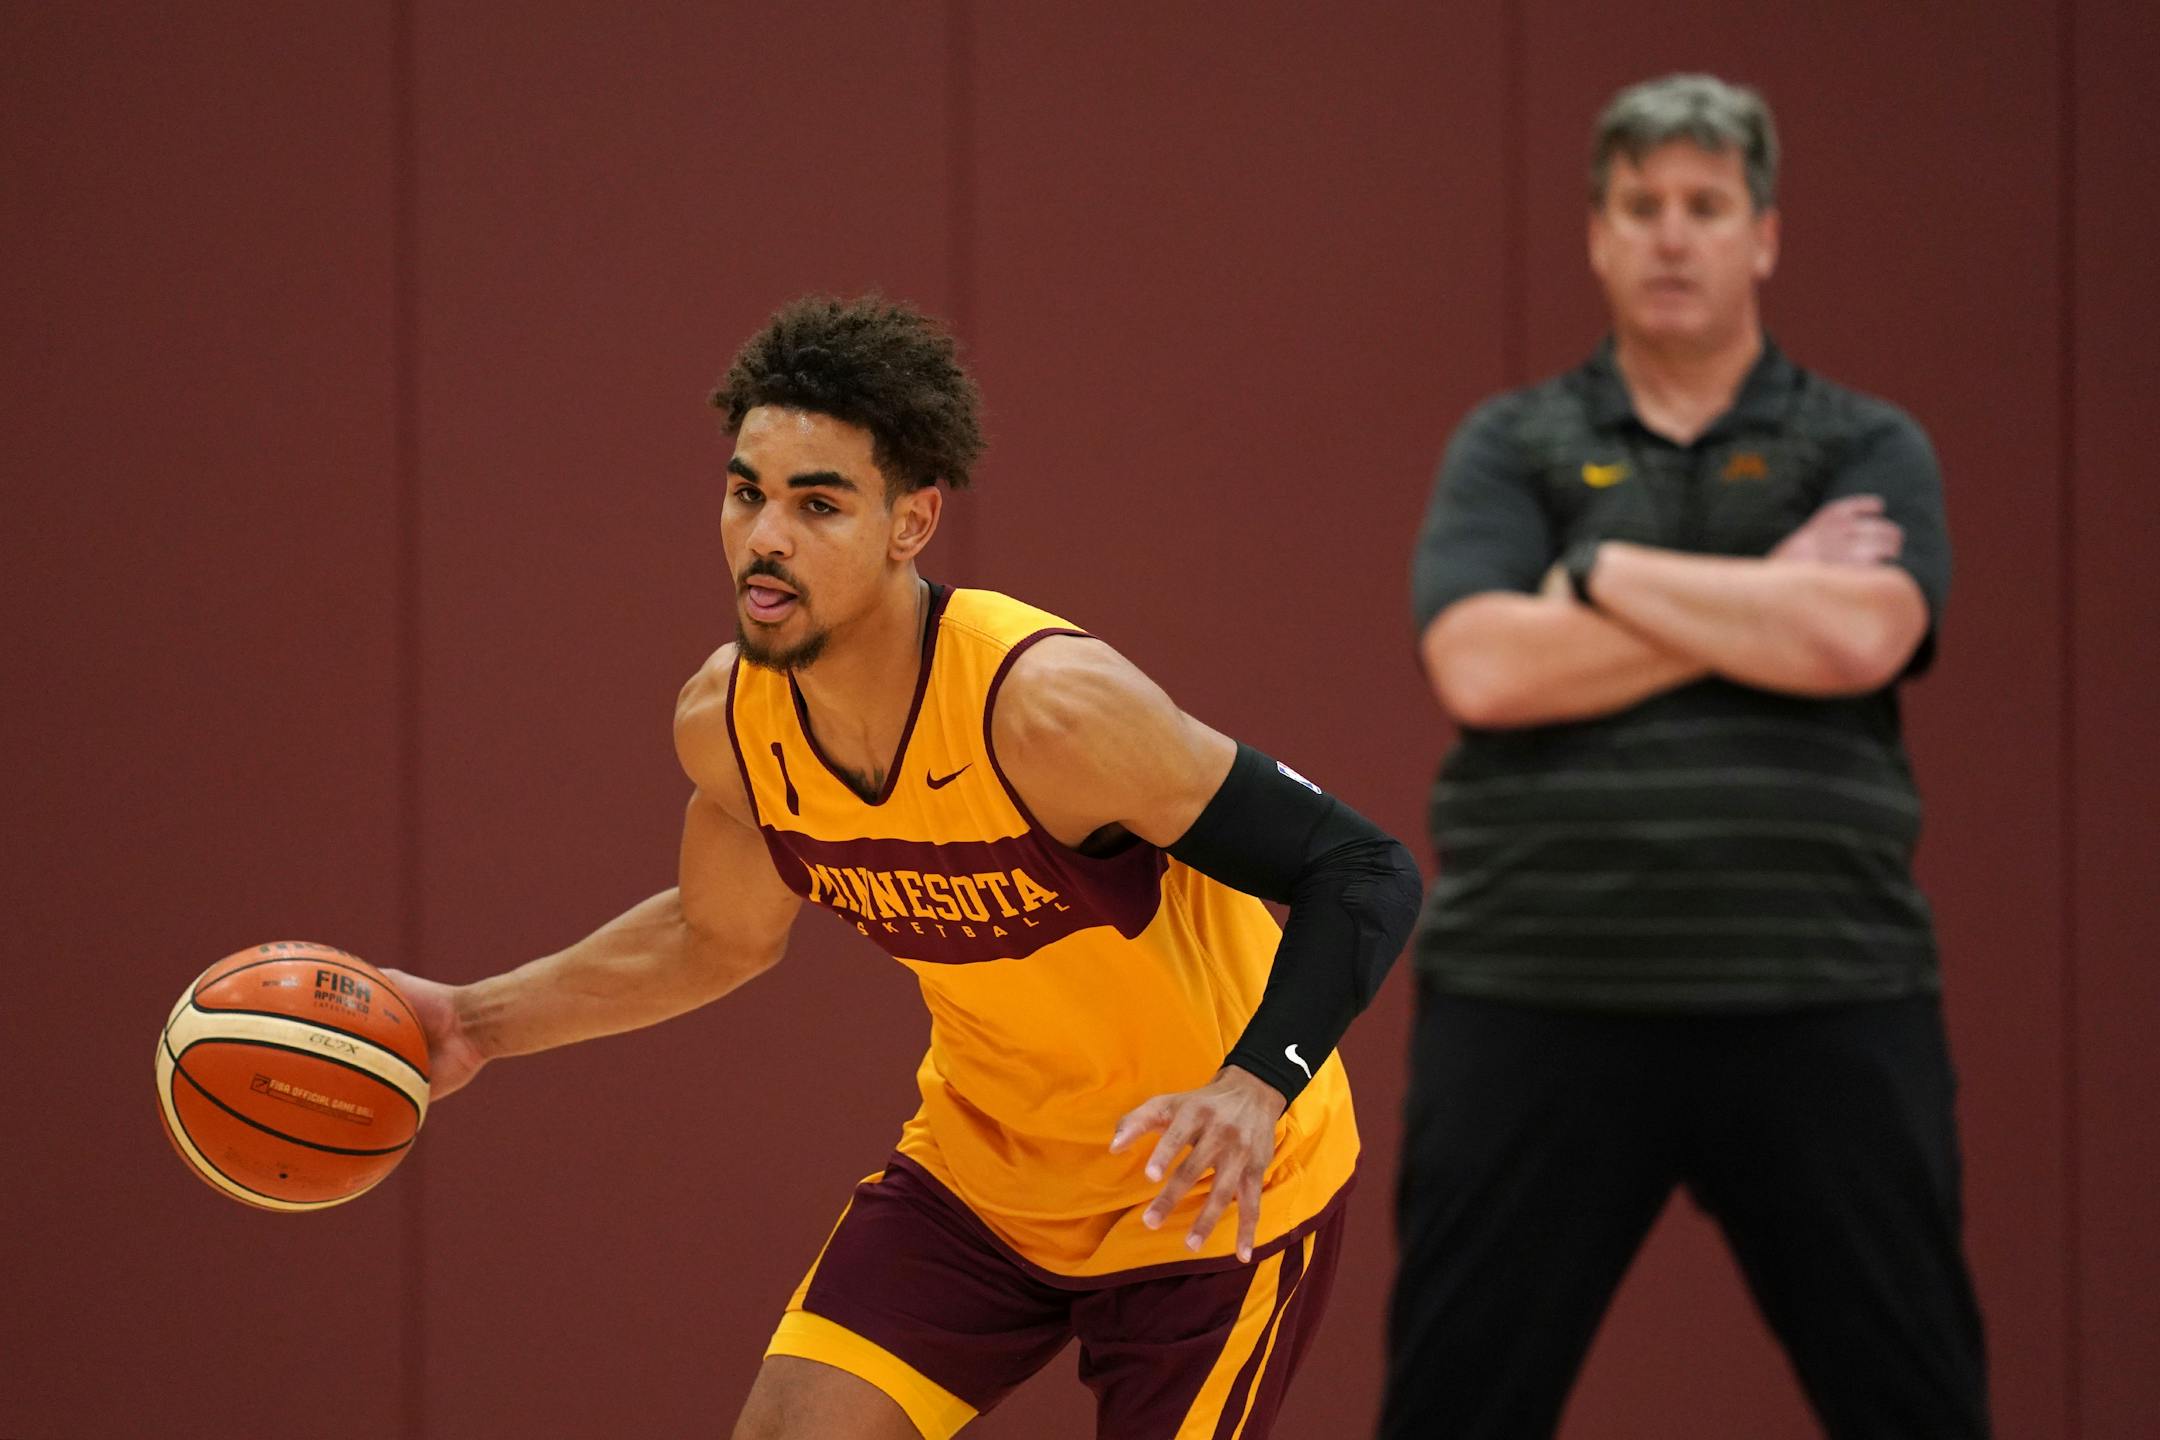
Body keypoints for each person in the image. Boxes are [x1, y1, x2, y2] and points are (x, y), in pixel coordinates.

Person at [388, 294, 1422, 1440]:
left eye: (817, 503)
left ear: (912, 524)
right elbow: (710, 937)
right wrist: (473, 1024)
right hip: (983, 1184)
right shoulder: (732, 725)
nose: (765, 537)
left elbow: (1364, 866)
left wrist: (1255, 1085)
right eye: (747, 494)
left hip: (1210, 1196)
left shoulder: (1047, 711)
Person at [1381, 74, 1989, 1439]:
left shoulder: (1865, 443)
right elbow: (1483, 665)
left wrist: (1596, 577)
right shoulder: (1511, 444)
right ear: (1596, 234)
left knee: (1917, 1402)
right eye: (1641, 206)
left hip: (1826, 987)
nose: (1672, 236)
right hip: (1540, 988)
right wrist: (1768, 591)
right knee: (1454, 1407)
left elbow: (1862, 642)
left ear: (1763, 235)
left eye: (1705, 207)